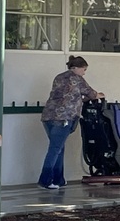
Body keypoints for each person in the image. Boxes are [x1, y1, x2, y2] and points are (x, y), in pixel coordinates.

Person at [38, 56, 104, 189]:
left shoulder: (59, 77)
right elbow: (91, 94)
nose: (84, 73)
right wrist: (100, 95)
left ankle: (58, 179)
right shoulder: (77, 79)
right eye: (84, 70)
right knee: (55, 149)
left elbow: (69, 96)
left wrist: (82, 99)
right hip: (64, 118)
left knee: (59, 148)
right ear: (76, 68)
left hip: (48, 116)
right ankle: (45, 180)